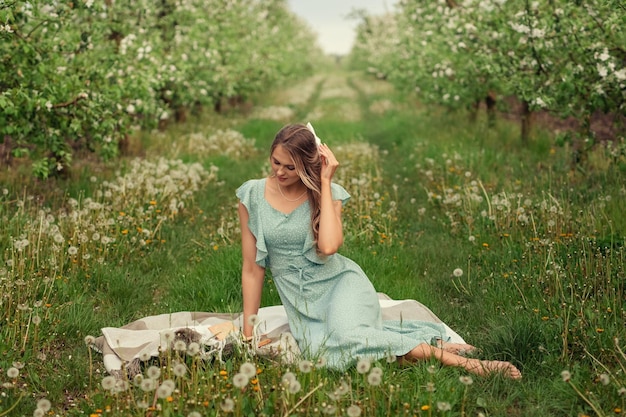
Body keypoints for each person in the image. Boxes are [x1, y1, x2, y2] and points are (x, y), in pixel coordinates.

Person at [236, 123, 522, 379]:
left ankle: (468, 365)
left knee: (350, 337)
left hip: (340, 284)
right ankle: (431, 342)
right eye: (276, 162)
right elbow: (252, 268)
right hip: (302, 303)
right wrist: (248, 335)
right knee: (326, 354)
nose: (280, 172)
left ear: (309, 164)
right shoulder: (252, 195)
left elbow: (329, 247)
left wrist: (325, 182)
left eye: (290, 167)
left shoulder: (328, 194)